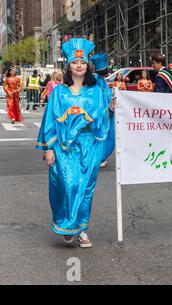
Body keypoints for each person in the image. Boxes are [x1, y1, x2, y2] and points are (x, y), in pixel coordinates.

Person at [36, 38, 114, 248]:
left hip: (91, 144)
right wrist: (49, 149)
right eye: (74, 62)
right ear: (68, 66)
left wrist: (112, 109)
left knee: (86, 188)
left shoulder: (96, 89)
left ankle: (82, 230)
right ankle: (66, 223)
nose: (79, 65)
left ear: (87, 66)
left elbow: (105, 114)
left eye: (82, 62)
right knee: (68, 185)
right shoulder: (59, 92)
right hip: (64, 146)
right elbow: (50, 120)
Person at [91, 53, 115, 168]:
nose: (107, 70)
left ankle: (100, 157)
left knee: (109, 135)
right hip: (100, 114)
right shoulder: (95, 80)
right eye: (106, 68)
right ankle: (98, 158)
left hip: (108, 112)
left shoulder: (102, 80)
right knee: (101, 135)